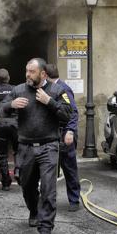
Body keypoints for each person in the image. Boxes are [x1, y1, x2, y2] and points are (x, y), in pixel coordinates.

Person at [0, 58, 72, 234]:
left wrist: (50, 102)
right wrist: (10, 105)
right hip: (25, 147)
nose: (27, 75)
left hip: (49, 146)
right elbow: (0, 109)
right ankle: (34, 210)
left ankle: (45, 227)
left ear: (43, 74)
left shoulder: (56, 91)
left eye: (31, 71)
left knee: (48, 188)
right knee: (26, 184)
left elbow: (67, 114)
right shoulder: (19, 90)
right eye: (26, 71)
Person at [44, 64, 81, 212]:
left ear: (45, 75)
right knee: (49, 168)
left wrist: (70, 131)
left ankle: (74, 200)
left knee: (69, 167)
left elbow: (73, 112)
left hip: (64, 133)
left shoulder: (63, 88)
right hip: (52, 133)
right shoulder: (48, 88)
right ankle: (47, 200)